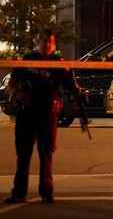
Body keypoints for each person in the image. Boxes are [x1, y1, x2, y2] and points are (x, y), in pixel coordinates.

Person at [4, 29, 80, 204]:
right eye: (44, 41)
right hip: (26, 113)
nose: (47, 45)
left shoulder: (58, 63)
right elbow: (12, 81)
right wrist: (16, 94)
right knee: (23, 154)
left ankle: (46, 192)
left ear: (54, 44)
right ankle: (19, 192)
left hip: (47, 114)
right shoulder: (28, 59)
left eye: (50, 42)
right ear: (38, 41)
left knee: (46, 154)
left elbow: (71, 85)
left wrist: (77, 97)